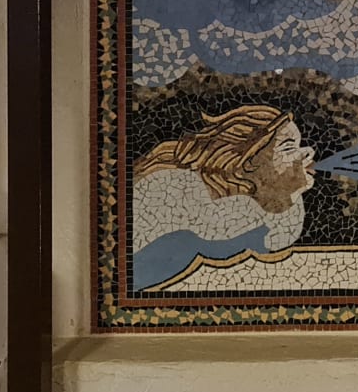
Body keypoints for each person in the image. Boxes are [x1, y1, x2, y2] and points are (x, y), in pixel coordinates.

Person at [129, 104, 315, 290]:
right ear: (249, 163)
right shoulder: (182, 196)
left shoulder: (274, 217)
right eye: (288, 147)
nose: (309, 152)